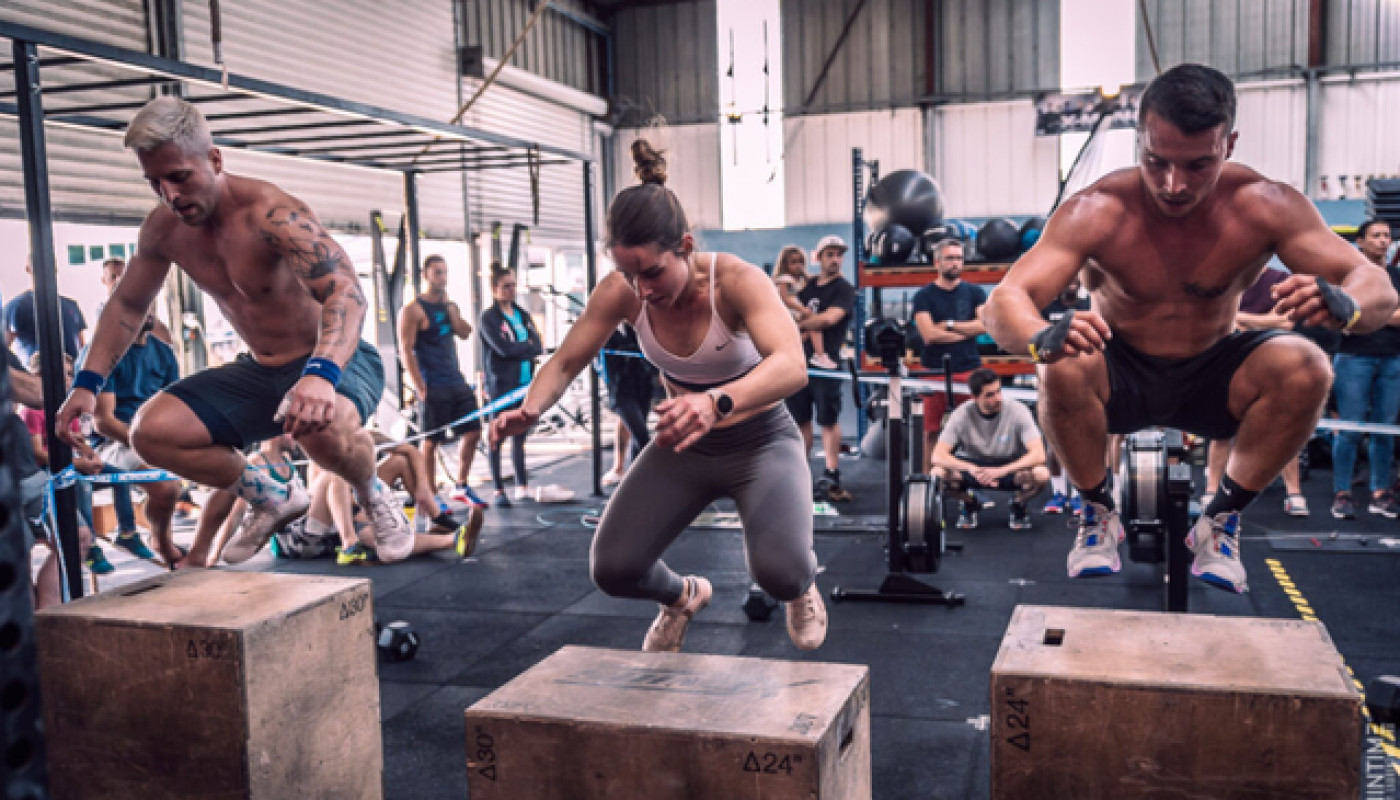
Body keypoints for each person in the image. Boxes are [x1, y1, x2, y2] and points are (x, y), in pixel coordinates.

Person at [984, 63, 1398, 594]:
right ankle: (1096, 511)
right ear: (1140, 140)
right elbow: (1003, 303)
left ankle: (1221, 520)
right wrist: (1040, 335)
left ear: (1230, 144)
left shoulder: (1265, 205)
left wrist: (1348, 303)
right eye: (1156, 161)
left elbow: (1377, 287)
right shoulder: (1098, 209)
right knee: (1062, 358)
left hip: (1213, 370)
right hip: (1121, 371)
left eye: (1198, 165)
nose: (1173, 184)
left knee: (1307, 365)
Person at [491, 139, 826, 652]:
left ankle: (802, 587)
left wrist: (713, 402)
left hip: (761, 441)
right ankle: (684, 596)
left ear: (686, 247)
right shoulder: (622, 292)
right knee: (614, 569)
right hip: (683, 445)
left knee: (780, 573)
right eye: (628, 273)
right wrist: (532, 408)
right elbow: (564, 361)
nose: (641, 288)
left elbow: (792, 365)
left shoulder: (736, 282)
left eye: (651, 271)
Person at [53, 96, 412, 566]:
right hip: (261, 370)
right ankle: (272, 495)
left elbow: (346, 292)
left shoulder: (272, 214)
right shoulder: (164, 230)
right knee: (150, 433)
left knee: (316, 428)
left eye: (179, 177)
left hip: (336, 359)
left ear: (215, 160)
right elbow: (128, 303)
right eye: (155, 182)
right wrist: (86, 383)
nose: (170, 195)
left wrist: (321, 373)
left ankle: (371, 490)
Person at [1203, 262, 1334, 518]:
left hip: (1271, 364)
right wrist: (1263, 322)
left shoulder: (1281, 280)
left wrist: (1240, 318)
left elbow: (1285, 323)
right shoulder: (1225, 275)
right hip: (1229, 361)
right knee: (1219, 431)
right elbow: (1212, 318)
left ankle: (1294, 493)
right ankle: (1211, 490)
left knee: (1282, 433)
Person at [87, 312, 185, 566]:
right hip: (112, 443)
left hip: (153, 438)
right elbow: (103, 422)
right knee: (166, 487)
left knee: (217, 467)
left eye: (149, 303)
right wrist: (149, 445)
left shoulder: (163, 352)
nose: (146, 310)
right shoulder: (106, 353)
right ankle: (161, 543)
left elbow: (175, 406)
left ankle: (172, 542)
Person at [398, 254, 487, 509]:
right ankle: (430, 492)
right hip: (432, 383)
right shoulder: (413, 310)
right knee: (431, 441)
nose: (443, 278)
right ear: (425, 274)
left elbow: (465, 332)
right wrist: (419, 386)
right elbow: (406, 349)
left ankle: (461, 485)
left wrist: (451, 309)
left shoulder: (450, 306)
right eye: (437, 272)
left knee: (473, 431)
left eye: (445, 272)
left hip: (455, 380)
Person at [1327, 219, 1400, 519]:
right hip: (1354, 358)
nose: (1383, 240)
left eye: (1387, 236)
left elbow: (1355, 315)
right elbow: (1340, 313)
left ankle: (1380, 493)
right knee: (1349, 429)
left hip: (1393, 358)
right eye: (1376, 235)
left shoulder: (1396, 276)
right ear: (1361, 241)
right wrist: (1385, 314)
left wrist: (1364, 314)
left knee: (1384, 430)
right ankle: (1342, 493)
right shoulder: (1348, 277)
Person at [480, 266, 566, 505]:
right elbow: (502, 349)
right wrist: (524, 347)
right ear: (495, 289)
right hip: (501, 387)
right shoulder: (489, 318)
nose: (511, 290)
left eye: (513, 285)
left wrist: (525, 347)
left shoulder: (521, 314)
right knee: (497, 436)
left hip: (525, 384)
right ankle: (498, 489)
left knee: (520, 435)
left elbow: (537, 345)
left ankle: (521, 484)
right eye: (506, 286)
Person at [930, 367, 1048, 530]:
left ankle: (1018, 502)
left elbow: (1039, 454)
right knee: (937, 474)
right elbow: (937, 456)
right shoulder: (961, 414)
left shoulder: (1018, 410)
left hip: (1007, 466)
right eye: (990, 395)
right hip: (973, 466)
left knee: (1041, 475)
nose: (998, 398)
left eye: (998, 391)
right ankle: (969, 502)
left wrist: (1002, 471)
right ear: (976, 397)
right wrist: (971, 468)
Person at [786, 235, 855, 502]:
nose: (835, 259)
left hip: (826, 366)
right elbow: (785, 308)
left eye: (839, 254)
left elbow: (830, 319)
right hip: (799, 364)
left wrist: (800, 326)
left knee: (828, 420)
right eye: (830, 254)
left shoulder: (844, 289)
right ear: (819, 257)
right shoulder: (806, 285)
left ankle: (831, 472)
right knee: (799, 420)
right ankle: (799, 473)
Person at [912, 239, 987, 474]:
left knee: (973, 431)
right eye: (950, 258)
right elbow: (929, 335)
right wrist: (965, 332)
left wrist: (950, 325)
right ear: (937, 262)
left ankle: (973, 482)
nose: (955, 263)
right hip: (933, 372)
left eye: (959, 258)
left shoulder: (975, 292)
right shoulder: (923, 296)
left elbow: (984, 326)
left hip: (968, 370)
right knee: (931, 431)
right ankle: (927, 483)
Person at [1038, 273, 1091, 515]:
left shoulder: (1087, 307)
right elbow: (1037, 343)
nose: (1070, 285)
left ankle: (1082, 493)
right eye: (1066, 281)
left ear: (1079, 285)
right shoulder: (1047, 309)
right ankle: (1059, 493)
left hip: (1082, 380)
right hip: (1052, 379)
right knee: (1055, 443)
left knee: (1084, 441)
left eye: (1074, 282)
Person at [601, 322, 657, 486]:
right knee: (642, 436)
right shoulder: (606, 331)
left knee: (638, 435)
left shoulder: (635, 330)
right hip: (621, 392)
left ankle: (634, 479)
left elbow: (648, 352)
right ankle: (635, 478)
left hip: (642, 387)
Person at [5, 255, 87, 363]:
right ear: (28, 269)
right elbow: (3, 350)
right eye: (39, 264)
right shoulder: (16, 307)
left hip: (72, 376)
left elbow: (83, 348)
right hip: (36, 377)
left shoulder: (71, 305)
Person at [772, 246, 836, 370]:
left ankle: (808, 352)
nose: (798, 265)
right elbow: (784, 299)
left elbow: (816, 278)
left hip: (798, 311)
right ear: (785, 264)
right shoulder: (785, 279)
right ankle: (820, 355)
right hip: (789, 311)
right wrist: (802, 309)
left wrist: (833, 275)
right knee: (815, 325)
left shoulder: (801, 279)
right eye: (793, 262)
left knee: (809, 331)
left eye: (800, 262)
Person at [98, 257, 172, 344]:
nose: (119, 280)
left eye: (123, 276)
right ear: (103, 280)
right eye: (113, 277)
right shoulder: (102, 310)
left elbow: (165, 338)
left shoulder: (142, 305)